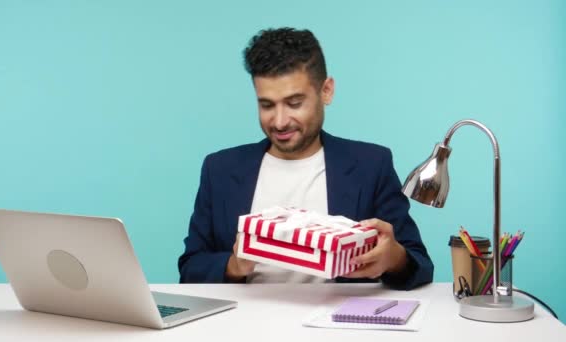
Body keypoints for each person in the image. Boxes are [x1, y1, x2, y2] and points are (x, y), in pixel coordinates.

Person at [178, 27, 433, 290]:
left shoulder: (371, 165)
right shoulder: (219, 169)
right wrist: (234, 265)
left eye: (294, 103)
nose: (279, 121)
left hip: (336, 324)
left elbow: (421, 265)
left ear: (326, 91)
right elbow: (190, 269)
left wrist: (394, 258)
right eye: (266, 105)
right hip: (245, 323)